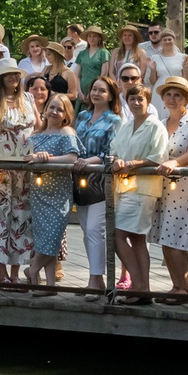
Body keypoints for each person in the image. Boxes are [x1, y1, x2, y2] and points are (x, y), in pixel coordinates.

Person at [150, 79, 188, 295]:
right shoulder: (160, 122)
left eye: (177, 95)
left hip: (182, 184)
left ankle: (183, 288)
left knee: (175, 237)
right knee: (165, 239)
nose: (172, 99)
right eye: (168, 95)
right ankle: (177, 285)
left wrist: (174, 163)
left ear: (185, 99)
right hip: (160, 184)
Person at [110, 79, 167, 295]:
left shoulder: (155, 126)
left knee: (117, 236)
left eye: (140, 99)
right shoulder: (126, 126)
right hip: (124, 187)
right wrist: (117, 160)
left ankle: (138, 283)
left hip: (143, 188)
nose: (135, 102)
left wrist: (134, 163)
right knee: (137, 238)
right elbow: (114, 150)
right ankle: (143, 288)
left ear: (148, 102)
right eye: (132, 98)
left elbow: (158, 156)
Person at [0, 62, 35, 287]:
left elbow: (38, 129)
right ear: (0, 79)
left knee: (22, 216)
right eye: (7, 75)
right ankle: (2, 272)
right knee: (0, 216)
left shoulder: (29, 99)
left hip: (26, 168)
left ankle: (16, 272)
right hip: (2, 169)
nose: (13, 77)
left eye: (15, 74)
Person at [71, 76, 122, 292]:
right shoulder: (82, 116)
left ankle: (96, 278)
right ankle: (96, 276)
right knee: (86, 230)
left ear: (110, 96)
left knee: (95, 229)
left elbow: (113, 151)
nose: (96, 93)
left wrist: (90, 161)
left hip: (101, 179)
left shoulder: (114, 120)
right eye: (94, 89)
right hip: (79, 179)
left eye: (102, 90)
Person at [24, 93, 78, 289]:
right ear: (45, 110)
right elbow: (25, 157)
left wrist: (47, 159)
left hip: (60, 194)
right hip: (39, 192)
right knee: (44, 237)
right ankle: (50, 285)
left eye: (60, 109)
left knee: (53, 236)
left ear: (66, 115)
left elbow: (72, 158)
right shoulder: (34, 135)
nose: (54, 112)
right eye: (52, 107)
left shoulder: (66, 131)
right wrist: (34, 157)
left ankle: (33, 269)